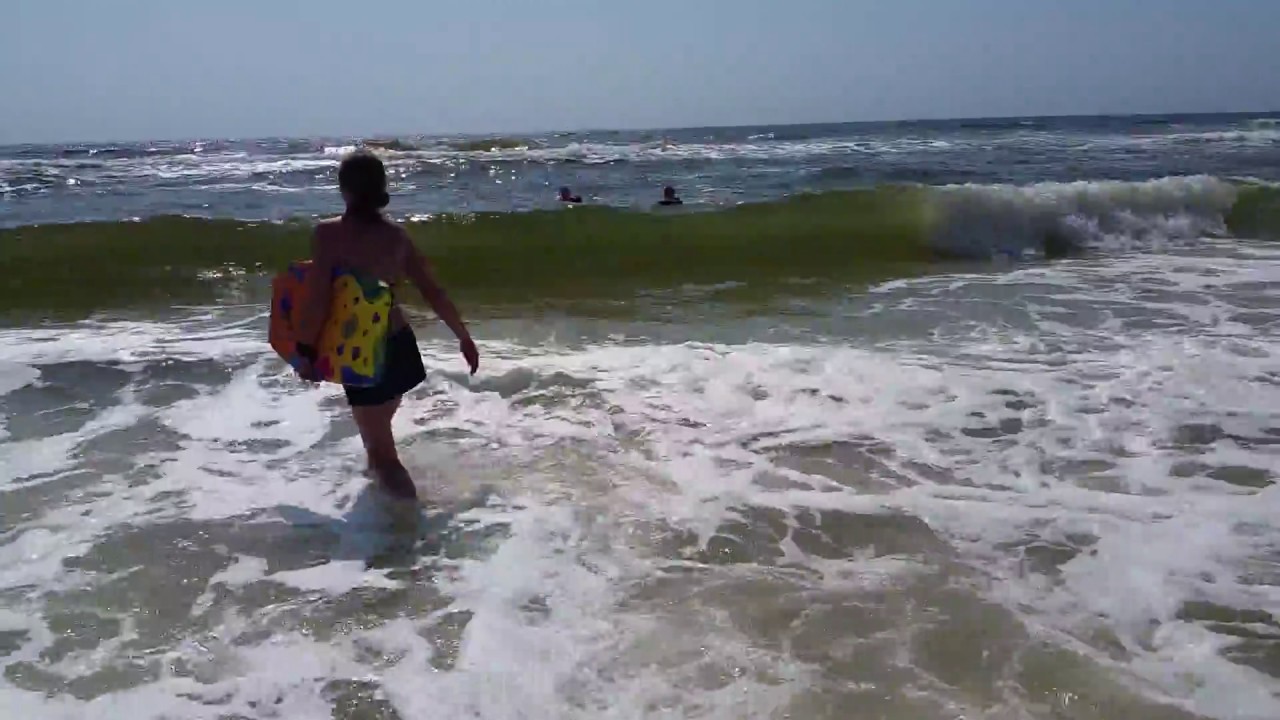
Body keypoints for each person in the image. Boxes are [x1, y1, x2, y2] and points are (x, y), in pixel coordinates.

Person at [295, 149, 479, 500]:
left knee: (383, 455)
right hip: (400, 347)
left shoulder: (328, 234)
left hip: (363, 353)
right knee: (376, 436)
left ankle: (411, 521)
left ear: (344, 189)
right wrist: (463, 337)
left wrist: (305, 348)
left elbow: (318, 298)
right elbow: (432, 290)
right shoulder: (397, 238)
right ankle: (378, 507)